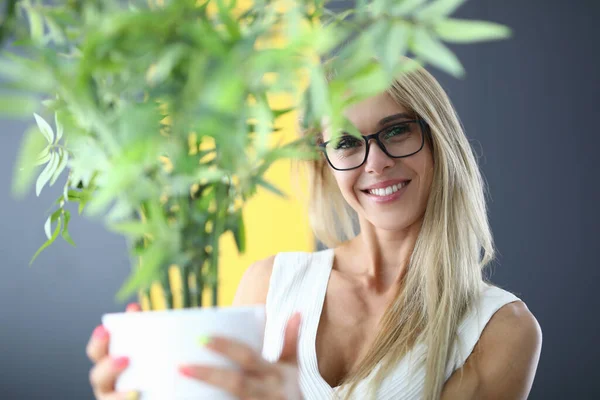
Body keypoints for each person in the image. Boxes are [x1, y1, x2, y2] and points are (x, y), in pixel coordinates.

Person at [86, 65, 542, 400]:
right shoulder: (271, 283)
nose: (375, 161)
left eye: (397, 131)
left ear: (439, 140)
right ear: (325, 162)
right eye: (346, 142)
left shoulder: (500, 329)